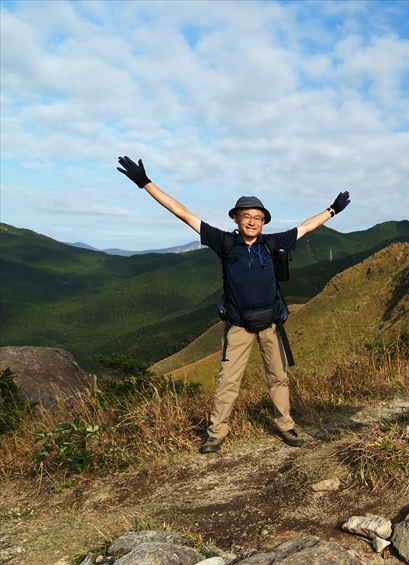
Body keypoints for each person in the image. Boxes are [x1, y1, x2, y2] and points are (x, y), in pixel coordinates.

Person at [116, 155, 349, 453]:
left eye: (258, 217)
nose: (252, 221)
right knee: (228, 380)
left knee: (279, 378)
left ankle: (286, 426)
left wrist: (332, 210)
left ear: (264, 222)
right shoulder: (224, 242)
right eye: (246, 216)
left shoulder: (272, 243)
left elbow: (306, 227)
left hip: (271, 323)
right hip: (239, 325)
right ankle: (216, 434)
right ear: (236, 219)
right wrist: (145, 183)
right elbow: (183, 214)